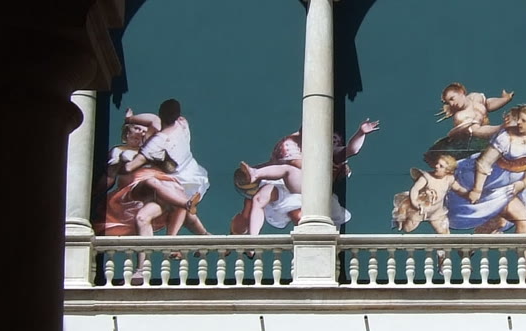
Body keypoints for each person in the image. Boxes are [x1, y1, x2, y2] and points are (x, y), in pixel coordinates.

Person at [233, 120, 380, 234]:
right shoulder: (290, 144)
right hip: (289, 186)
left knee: (300, 213)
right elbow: (296, 164)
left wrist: (361, 132)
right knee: (261, 197)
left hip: (313, 189)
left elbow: (352, 150)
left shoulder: (327, 149)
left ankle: (256, 173)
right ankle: (253, 242)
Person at [115, 100, 211, 236]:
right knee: (183, 214)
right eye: (136, 129)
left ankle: (177, 234)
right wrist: (130, 119)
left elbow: (130, 167)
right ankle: (200, 234)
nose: (140, 133)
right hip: (191, 175)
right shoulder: (182, 123)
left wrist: (125, 164)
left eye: (142, 130)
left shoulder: (155, 142)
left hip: (174, 181)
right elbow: (153, 120)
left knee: (160, 190)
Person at [447, 102, 526, 234]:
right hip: (491, 182)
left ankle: (492, 230)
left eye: (524, 120)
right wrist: (477, 190)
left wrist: (524, 182)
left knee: (523, 222)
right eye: (518, 119)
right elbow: (484, 163)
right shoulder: (505, 137)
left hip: (513, 186)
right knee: (518, 220)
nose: (518, 123)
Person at [427, 82, 514, 161]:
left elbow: (488, 104)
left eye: (452, 98)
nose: (452, 104)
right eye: (449, 102)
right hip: (474, 145)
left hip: (490, 135)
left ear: (461, 92)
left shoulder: (475, 97)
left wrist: (505, 99)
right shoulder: (461, 116)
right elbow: (477, 131)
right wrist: (501, 127)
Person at [391, 152, 472, 234]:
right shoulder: (427, 177)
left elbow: (458, 188)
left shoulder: (449, 179)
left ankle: (444, 242)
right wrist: (415, 203)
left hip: (436, 211)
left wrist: (468, 194)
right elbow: (415, 189)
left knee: (443, 231)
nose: (436, 166)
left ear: (447, 171)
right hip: (421, 209)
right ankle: (402, 218)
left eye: (441, 166)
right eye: (437, 164)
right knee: (408, 228)